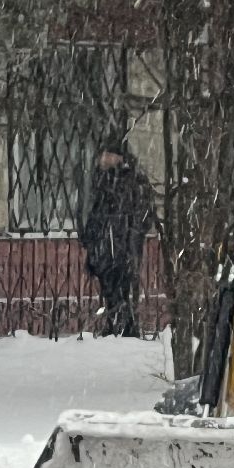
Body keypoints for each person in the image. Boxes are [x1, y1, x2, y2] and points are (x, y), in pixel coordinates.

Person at [79, 142, 156, 337]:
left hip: (121, 246)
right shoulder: (104, 179)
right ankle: (118, 325)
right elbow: (97, 211)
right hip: (107, 245)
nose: (102, 159)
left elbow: (143, 213)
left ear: (118, 157)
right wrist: (91, 235)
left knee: (120, 288)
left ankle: (123, 327)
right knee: (110, 289)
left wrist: (129, 234)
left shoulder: (129, 180)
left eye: (107, 154)